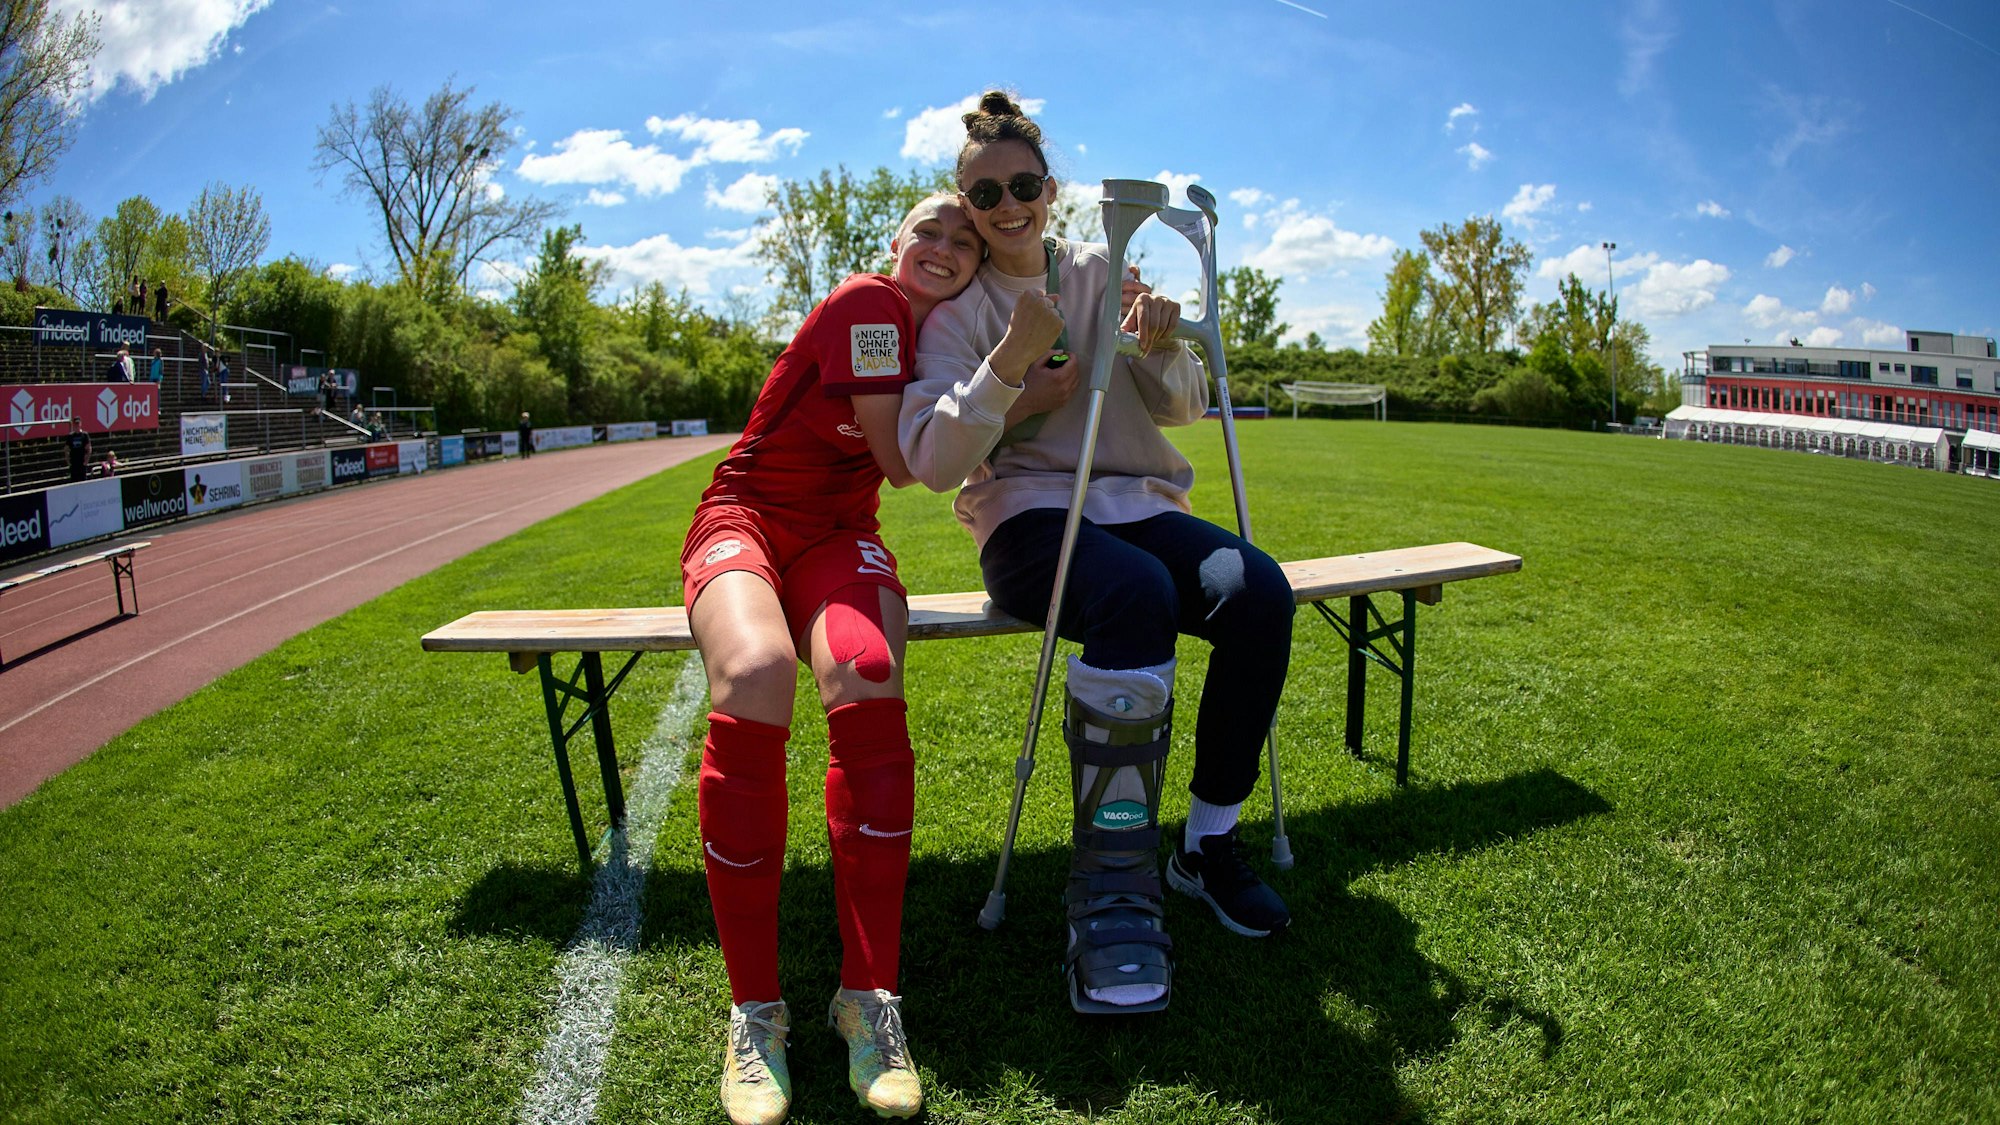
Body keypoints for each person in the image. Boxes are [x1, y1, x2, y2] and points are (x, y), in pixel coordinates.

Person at [898, 92, 1295, 1016]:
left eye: (1023, 184)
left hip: (1139, 498)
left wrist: (1159, 343)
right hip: (1030, 519)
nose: (1007, 206)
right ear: (966, 202)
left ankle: (1204, 845)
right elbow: (932, 462)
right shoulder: (954, 307)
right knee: (1134, 597)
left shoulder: (1103, 265)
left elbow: (1182, 408)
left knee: (1257, 590)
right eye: (985, 193)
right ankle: (1113, 878)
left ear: (1050, 187)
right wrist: (1012, 377)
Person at [681, 192, 981, 1125]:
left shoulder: (945, 336)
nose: (943, 246)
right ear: (894, 246)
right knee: (759, 670)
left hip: (840, 534)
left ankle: (867, 995)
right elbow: (903, 460)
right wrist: (1014, 379)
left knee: (867, 670)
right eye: (927, 230)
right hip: (747, 518)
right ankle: (754, 1009)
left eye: (963, 240)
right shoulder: (869, 304)